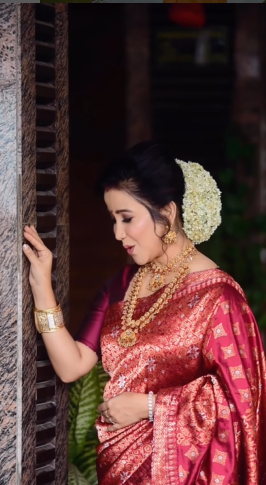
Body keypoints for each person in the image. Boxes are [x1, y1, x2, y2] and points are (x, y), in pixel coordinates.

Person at [23, 142, 266, 485]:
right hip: (116, 469)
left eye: (127, 218)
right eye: (113, 220)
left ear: (165, 213)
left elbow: (241, 402)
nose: (117, 233)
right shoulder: (122, 285)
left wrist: (151, 407)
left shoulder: (219, 297)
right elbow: (71, 365)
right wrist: (41, 287)